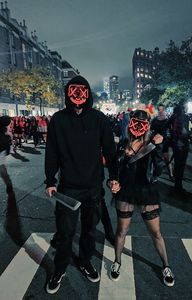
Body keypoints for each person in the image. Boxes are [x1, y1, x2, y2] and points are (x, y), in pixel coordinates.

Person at [45, 75, 119, 294]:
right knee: (65, 231)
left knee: (89, 230)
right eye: (73, 91)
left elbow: (110, 150)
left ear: (87, 94)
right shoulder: (58, 119)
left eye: (82, 91)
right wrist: (50, 180)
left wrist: (113, 177)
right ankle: (60, 268)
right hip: (68, 187)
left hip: (93, 187)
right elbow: (52, 152)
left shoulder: (99, 119)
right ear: (68, 93)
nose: (78, 95)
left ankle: (85, 261)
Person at [109, 110, 174, 287]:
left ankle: (166, 265)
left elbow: (159, 169)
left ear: (147, 126)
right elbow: (115, 169)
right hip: (126, 191)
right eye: (135, 122)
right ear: (130, 124)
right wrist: (112, 182)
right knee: (122, 230)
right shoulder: (123, 144)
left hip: (147, 191)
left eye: (142, 123)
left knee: (156, 233)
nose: (138, 126)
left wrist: (158, 146)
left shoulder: (151, 144)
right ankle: (117, 261)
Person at [167, 103, 191, 193]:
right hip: (183, 144)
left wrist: (171, 135)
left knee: (178, 165)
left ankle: (178, 184)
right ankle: (178, 184)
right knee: (181, 165)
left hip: (178, 144)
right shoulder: (184, 117)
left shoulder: (174, 117)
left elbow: (166, 127)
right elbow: (188, 130)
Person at [151, 104, 174, 180]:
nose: (160, 111)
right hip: (156, 142)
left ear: (164, 110)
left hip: (165, 141)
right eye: (159, 109)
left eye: (162, 109)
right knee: (155, 160)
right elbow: (151, 130)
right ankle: (154, 175)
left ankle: (171, 174)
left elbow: (171, 130)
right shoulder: (154, 120)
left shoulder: (167, 120)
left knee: (167, 158)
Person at [0, 116, 13, 194]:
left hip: (1, 151)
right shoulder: (5, 131)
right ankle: (8, 184)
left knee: (2, 169)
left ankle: (8, 184)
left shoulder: (5, 131)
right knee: (2, 169)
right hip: (1, 150)